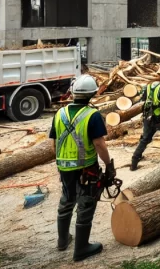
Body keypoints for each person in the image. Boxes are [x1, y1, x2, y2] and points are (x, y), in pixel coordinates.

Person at [50, 74, 114, 262]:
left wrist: (61, 161)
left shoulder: (59, 114)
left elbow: (53, 143)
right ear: (93, 94)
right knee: (85, 203)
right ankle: (81, 248)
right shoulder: (91, 115)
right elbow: (99, 144)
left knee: (67, 200)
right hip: (86, 168)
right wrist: (109, 165)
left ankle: (62, 241)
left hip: (64, 167)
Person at [130, 77, 160, 170]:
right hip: (159, 117)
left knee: (145, 139)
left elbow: (142, 101)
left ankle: (134, 161)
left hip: (147, 117)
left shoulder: (147, 86)